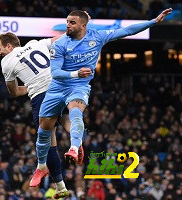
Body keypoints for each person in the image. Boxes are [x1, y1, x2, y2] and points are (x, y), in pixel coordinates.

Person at [42, 8, 172, 164]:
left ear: (83, 25)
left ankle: (74, 148)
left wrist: (153, 21)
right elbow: (55, 72)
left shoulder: (97, 37)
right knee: (43, 128)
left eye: (72, 22)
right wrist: (76, 73)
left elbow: (127, 31)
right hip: (57, 87)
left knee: (75, 111)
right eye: (67, 22)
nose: (67, 25)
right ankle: (41, 166)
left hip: (79, 87)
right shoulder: (60, 44)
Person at [0, 32, 73, 198]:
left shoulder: (6, 62)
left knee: (48, 140)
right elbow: (60, 39)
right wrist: (78, 28)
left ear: (9, 46)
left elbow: (14, 92)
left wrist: (28, 88)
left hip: (41, 96)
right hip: (61, 86)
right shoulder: (36, 43)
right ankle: (76, 145)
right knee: (66, 119)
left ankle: (60, 185)